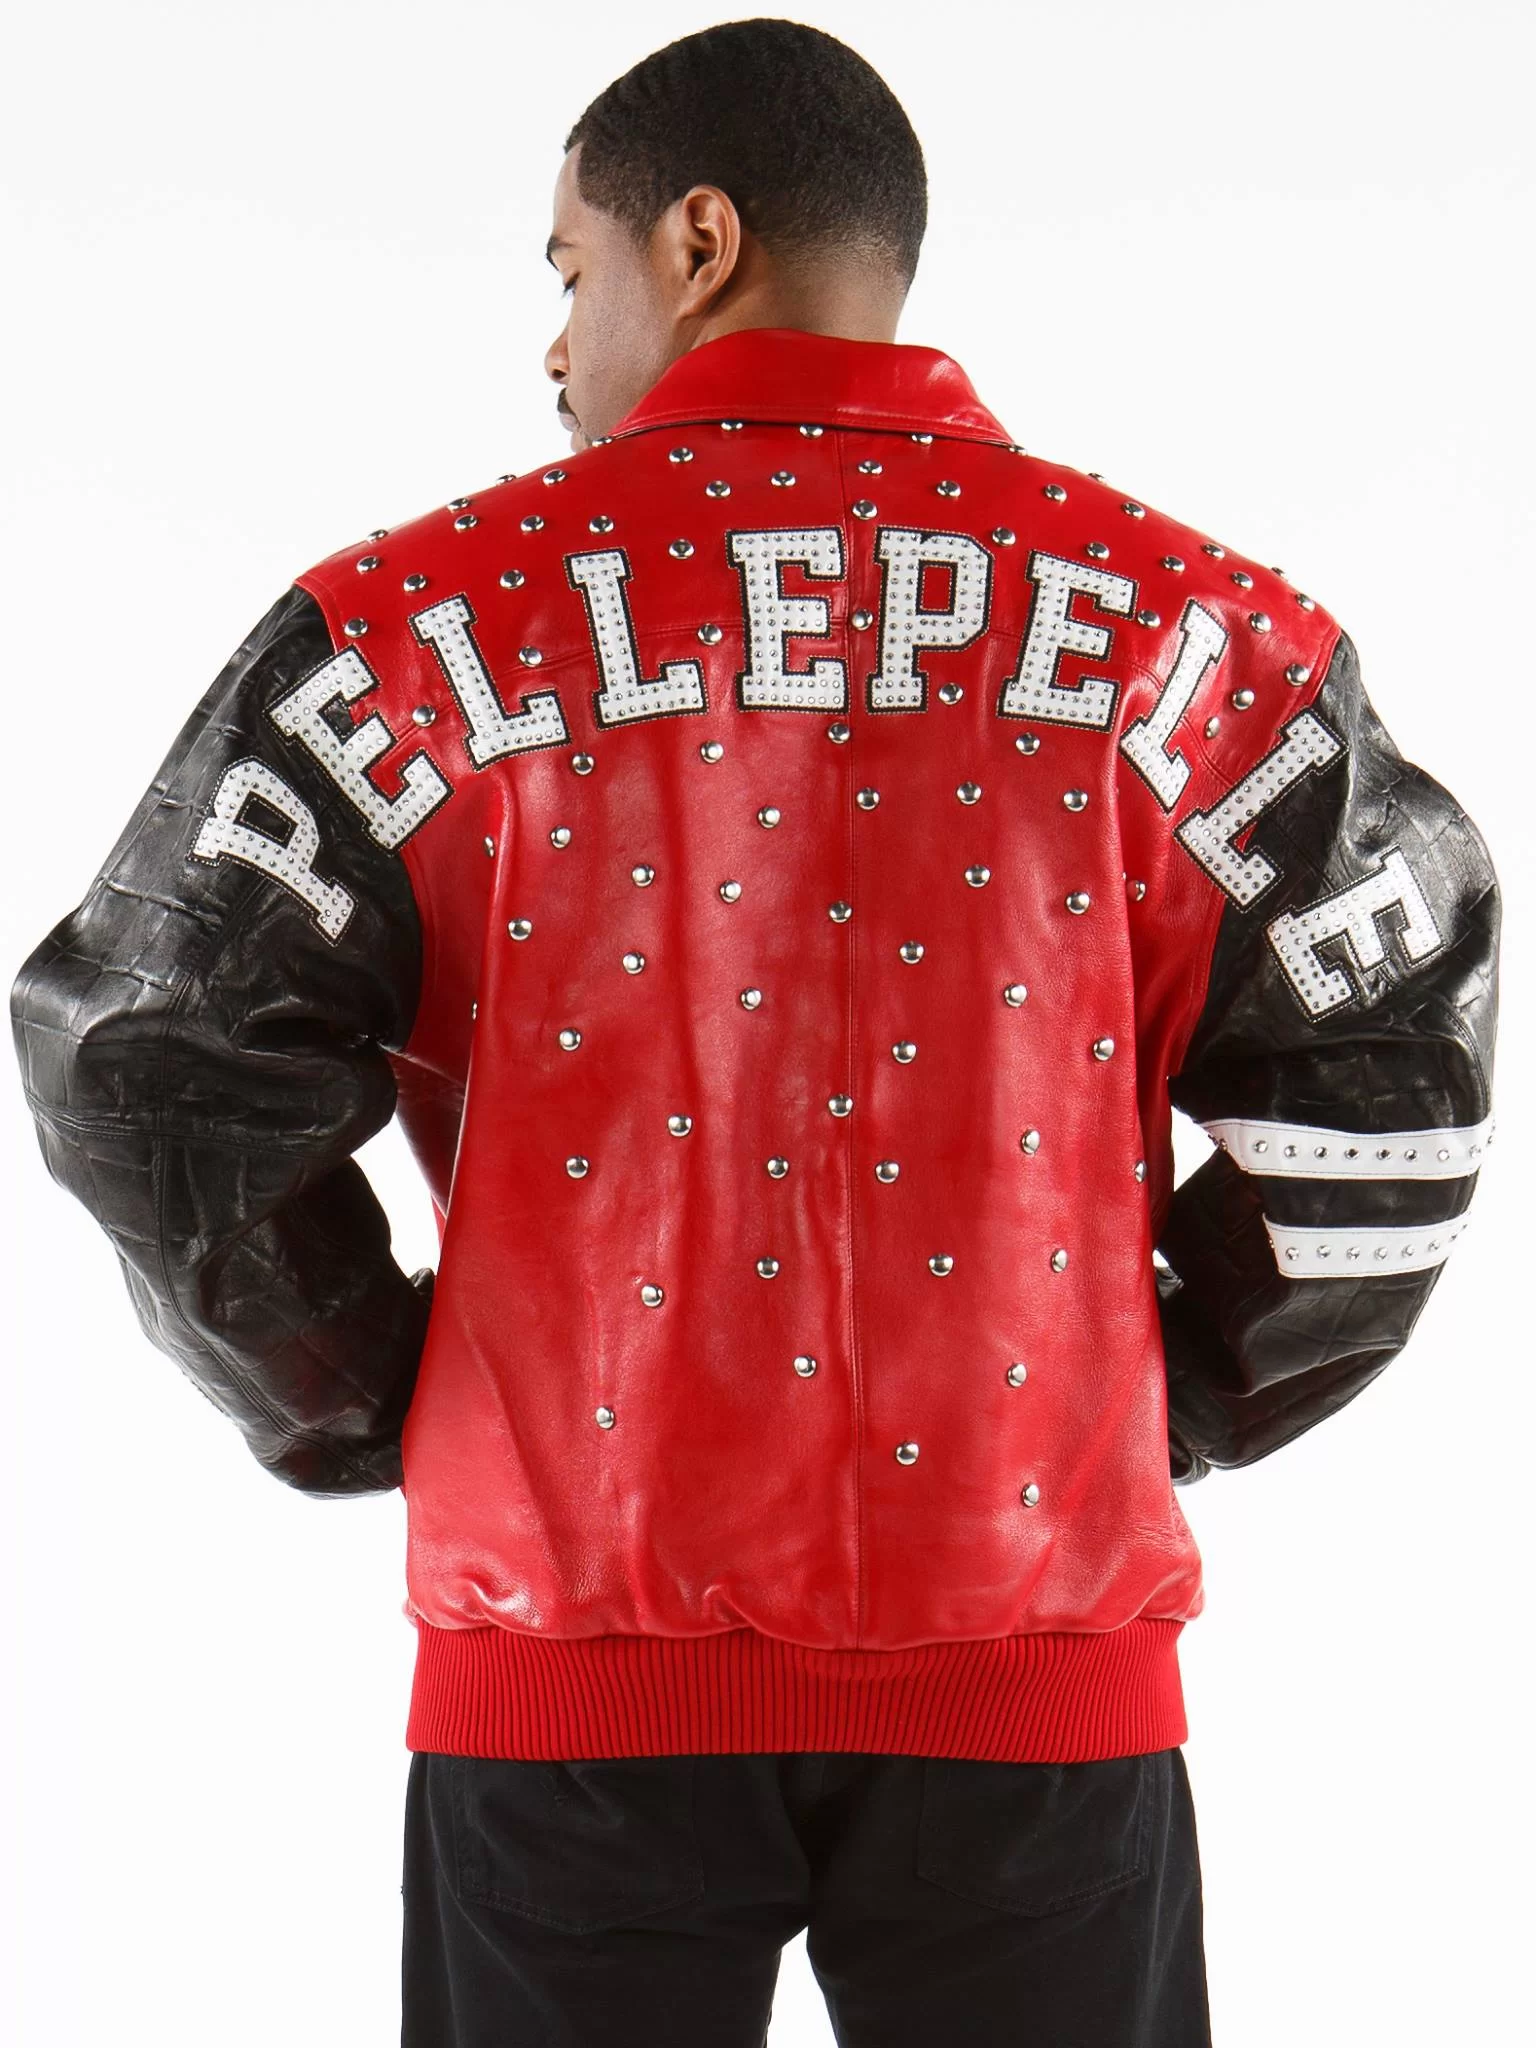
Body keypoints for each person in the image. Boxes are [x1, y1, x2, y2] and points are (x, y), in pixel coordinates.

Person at [9, 17, 1502, 2048]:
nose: (555, 347)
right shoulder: (1193, 631)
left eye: (570, 269)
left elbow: (141, 1050)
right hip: (1036, 1666)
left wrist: (367, 1388)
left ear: (696, 242)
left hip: (570, 1673)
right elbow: (1396, 1070)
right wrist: (1168, 1397)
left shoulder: (423, 630)